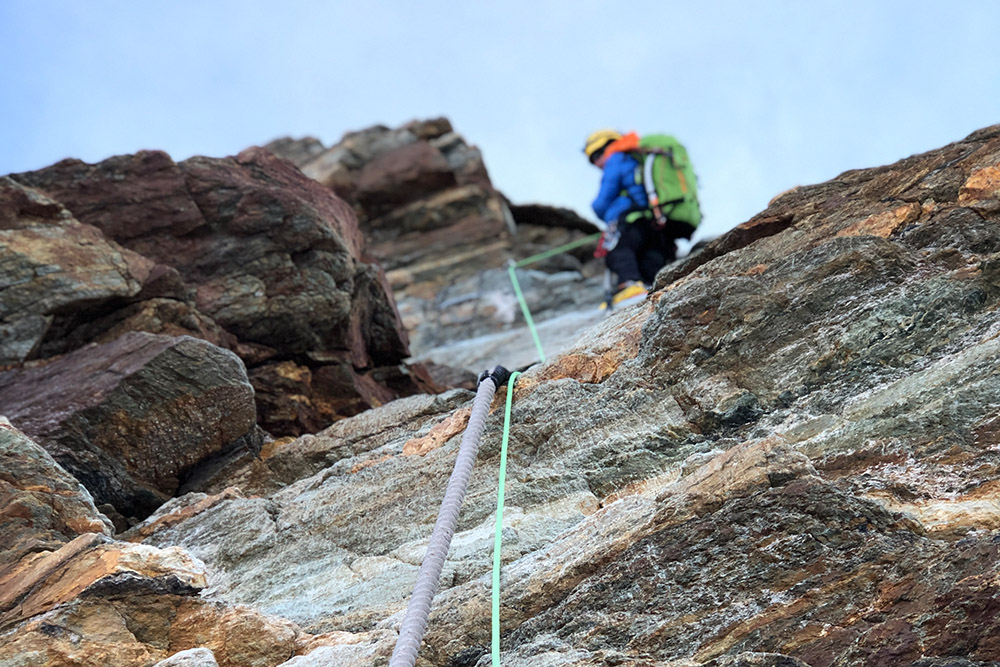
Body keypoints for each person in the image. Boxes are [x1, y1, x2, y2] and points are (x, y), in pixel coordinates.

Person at [584, 129, 690, 303]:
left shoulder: (616, 159)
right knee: (650, 256)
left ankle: (629, 286)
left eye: (596, 155)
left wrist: (599, 210)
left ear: (608, 146)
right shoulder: (637, 159)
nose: (596, 163)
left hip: (629, 219)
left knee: (619, 251)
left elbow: (602, 201)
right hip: (653, 222)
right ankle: (651, 289)